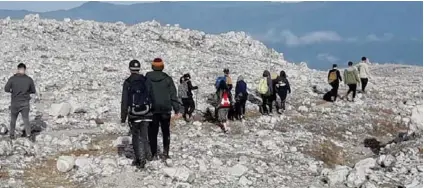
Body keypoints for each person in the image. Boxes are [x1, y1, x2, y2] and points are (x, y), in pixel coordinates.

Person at [145, 58, 181, 160]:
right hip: (165, 110)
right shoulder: (168, 79)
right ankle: (165, 153)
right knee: (166, 131)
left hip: (152, 109)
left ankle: (153, 154)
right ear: (162, 67)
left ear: (152, 66)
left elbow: (145, 93)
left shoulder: (147, 78)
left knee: (152, 132)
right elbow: (173, 95)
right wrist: (177, 109)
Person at [120, 59, 152, 169]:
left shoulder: (128, 82)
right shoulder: (146, 80)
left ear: (130, 69)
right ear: (139, 68)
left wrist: (123, 118)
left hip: (134, 114)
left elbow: (124, 101)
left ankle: (140, 160)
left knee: (135, 136)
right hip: (147, 112)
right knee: (144, 135)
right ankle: (148, 155)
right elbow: (151, 95)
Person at [4, 63, 36, 141]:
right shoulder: (29, 79)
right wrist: (26, 92)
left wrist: (12, 91)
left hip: (15, 102)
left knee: (13, 119)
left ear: (18, 69)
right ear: (25, 70)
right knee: (26, 119)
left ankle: (12, 135)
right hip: (25, 102)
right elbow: (33, 91)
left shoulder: (12, 79)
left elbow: (6, 89)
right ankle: (29, 135)